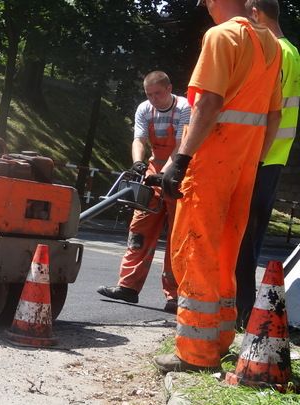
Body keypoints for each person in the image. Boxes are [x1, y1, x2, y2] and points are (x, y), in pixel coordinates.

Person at [153, 0, 282, 373]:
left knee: (196, 250)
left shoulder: (221, 36)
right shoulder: (270, 45)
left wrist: (180, 161)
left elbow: (208, 103)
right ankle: (220, 339)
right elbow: (273, 115)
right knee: (226, 250)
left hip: (212, 163)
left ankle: (194, 353)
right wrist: (255, 163)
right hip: (243, 166)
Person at [97, 71, 190, 314]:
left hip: (179, 174)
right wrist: (138, 163)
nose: (153, 99)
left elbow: (181, 145)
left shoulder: (183, 108)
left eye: (158, 93)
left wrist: (167, 174)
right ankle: (127, 286)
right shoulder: (144, 109)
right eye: (149, 94)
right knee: (139, 229)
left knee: (176, 239)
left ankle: (175, 295)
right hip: (153, 171)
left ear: (169, 88)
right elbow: (139, 139)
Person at [235, 0, 300, 330]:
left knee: (242, 241)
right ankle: (246, 313)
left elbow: (266, 106)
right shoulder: (293, 52)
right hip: (275, 156)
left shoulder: (273, 51)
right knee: (253, 237)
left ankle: (241, 313)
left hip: (260, 154)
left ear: (257, 14)